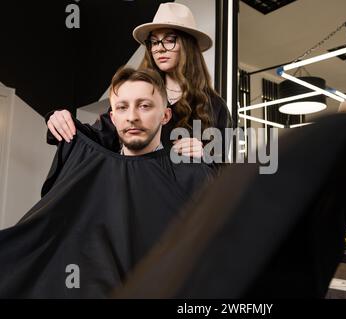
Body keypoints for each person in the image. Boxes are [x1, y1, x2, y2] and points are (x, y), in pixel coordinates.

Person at [0, 66, 214, 298]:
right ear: (112, 117)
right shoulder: (90, 167)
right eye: (122, 107)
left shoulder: (187, 172)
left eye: (144, 106)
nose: (132, 116)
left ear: (165, 115)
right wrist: (57, 118)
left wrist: (202, 163)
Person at [45, 2, 232, 165]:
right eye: (154, 42)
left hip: (186, 202)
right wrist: (62, 120)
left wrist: (205, 155)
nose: (159, 48)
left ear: (188, 46)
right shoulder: (134, 97)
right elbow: (96, 136)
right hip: (137, 192)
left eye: (169, 40)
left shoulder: (215, 107)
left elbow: (222, 174)